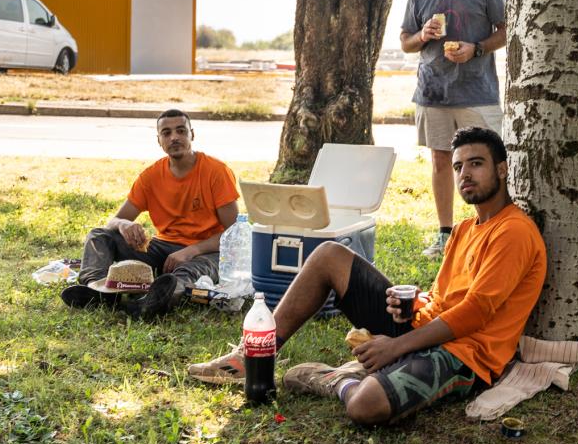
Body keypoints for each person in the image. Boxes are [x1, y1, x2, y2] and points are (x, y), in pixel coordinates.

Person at [186, 127, 546, 426]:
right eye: (458, 166)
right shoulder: (467, 227)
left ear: (502, 170)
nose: (465, 174)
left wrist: (397, 345)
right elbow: (443, 297)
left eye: (477, 164)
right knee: (329, 253)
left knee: (364, 406)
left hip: (464, 355)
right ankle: (248, 359)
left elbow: (477, 312)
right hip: (423, 331)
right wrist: (411, 307)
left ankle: (337, 379)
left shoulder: (513, 231)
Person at [60, 109, 240, 319]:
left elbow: (234, 233)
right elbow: (115, 220)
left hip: (207, 252)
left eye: (180, 131)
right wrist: (123, 225)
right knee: (100, 235)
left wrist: (191, 250)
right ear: (159, 141)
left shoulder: (216, 172)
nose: (174, 137)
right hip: (163, 248)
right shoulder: (151, 176)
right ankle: (98, 290)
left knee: (186, 273)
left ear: (192, 134)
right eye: (166, 133)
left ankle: (150, 303)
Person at [398, 0, 506, 258]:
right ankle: (445, 235)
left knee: (493, 160)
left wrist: (476, 49)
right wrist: (422, 35)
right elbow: (405, 42)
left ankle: (499, 230)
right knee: (441, 161)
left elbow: (507, 30)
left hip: (478, 90)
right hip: (433, 92)